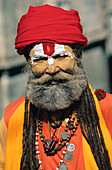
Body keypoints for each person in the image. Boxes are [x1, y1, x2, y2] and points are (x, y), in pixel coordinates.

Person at [0, 4, 112, 170]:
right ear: (28, 64)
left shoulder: (107, 109)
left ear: (78, 55)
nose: (51, 69)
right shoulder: (13, 118)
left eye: (60, 56)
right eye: (40, 60)